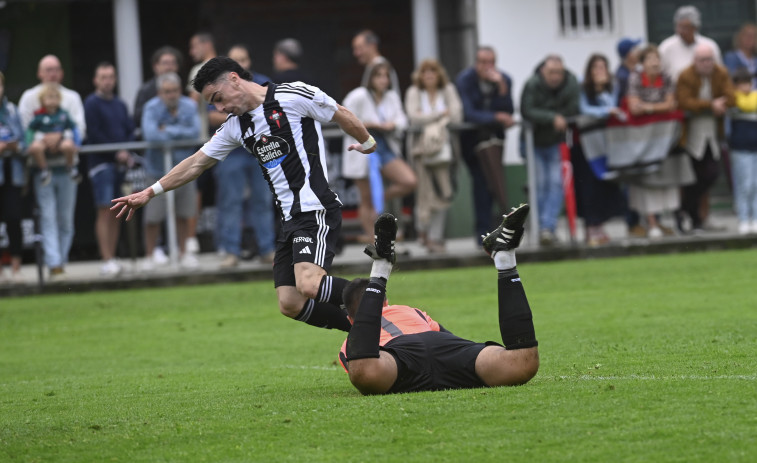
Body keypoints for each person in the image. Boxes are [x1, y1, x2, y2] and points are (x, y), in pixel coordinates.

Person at [112, 56, 378, 333]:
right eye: (212, 104)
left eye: (217, 97)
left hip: (314, 208)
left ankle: (381, 308)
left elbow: (340, 113)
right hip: (289, 219)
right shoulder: (236, 126)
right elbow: (196, 163)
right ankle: (364, 331)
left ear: (234, 79)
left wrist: (368, 143)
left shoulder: (292, 94)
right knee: (290, 302)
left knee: (309, 284)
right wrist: (150, 191)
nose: (219, 107)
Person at [338, 205, 538, 395]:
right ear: (386, 302)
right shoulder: (411, 311)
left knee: (365, 372)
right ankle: (504, 259)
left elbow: (360, 361)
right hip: (444, 347)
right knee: (522, 364)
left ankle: (381, 268)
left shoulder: (351, 342)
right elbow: (447, 339)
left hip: (397, 356)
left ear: (352, 322)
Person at [18, 54, 86, 281]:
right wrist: (46, 139)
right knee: (47, 216)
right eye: (47, 69)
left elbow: (79, 129)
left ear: (62, 72)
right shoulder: (29, 98)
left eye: (56, 69)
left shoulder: (72, 98)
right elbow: (25, 128)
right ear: (39, 73)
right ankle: (54, 264)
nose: (52, 74)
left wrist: (60, 138)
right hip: (42, 168)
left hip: (66, 167)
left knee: (65, 218)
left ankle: (60, 263)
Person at [213, 46, 276, 268]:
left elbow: (272, 110)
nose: (241, 63)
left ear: (249, 61)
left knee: (263, 201)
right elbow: (211, 115)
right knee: (230, 203)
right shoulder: (218, 86)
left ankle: (267, 250)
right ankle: (231, 252)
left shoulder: (262, 81)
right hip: (233, 153)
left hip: (260, 151)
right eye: (236, 60)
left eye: (244, 59)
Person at [342, 62, 416, 242]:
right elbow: (344, 116)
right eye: (378, 75)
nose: (383, 80)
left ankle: (379, 198)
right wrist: (370, 124)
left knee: (409, 181)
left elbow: (402, 120)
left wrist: (392, 124)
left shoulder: (391, 96)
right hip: (362, 146)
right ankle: (371, 239)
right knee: (365, 198)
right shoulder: (358, 95)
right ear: (370, 78)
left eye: (386, 76)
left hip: (384, 145)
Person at [626, 44, 695, 239]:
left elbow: (671, 104)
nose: (655, 62)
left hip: (666, 139)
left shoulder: (666, 78)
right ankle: (651, 222)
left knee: (669, 179)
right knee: (647, 180)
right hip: (642, 140)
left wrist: (647, 107)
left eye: (657, 58)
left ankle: (669, 221)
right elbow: (633, 107)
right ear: (642, 63)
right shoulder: (635, 78)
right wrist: (658, 108)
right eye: (650, 59)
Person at [140, 72, 201, 269]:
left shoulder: (189, 106)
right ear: (160, 92)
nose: (172, 95)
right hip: (157, 169)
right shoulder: (151, 107)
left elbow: (194, 133)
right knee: (153, 216)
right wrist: (176, 134)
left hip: (185, 170)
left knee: (185, 213)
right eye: (167, 92)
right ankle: (149, 256)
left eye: (174, 91)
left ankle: (184, 254)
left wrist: (166, 130)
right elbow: (150, 135)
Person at [455, 46, 516, 242]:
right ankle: (482, 232)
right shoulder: (465, 80)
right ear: (476, 62)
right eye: (483, 62)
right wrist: (495, 116)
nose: (487, 67)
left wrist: (502, 88)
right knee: (481, 183)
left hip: (495, 141)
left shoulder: (504, 79)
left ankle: (498, 230)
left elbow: (509, 110)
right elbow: (469, 113)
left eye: (491, 62)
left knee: (495, 184)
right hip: (472, 142)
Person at [520, 54, 580, 246]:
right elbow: (527, 110)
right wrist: (552, 117)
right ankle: (539, 227)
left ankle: (547, 228)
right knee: (540, 184)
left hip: (556, 143)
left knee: (556, 183)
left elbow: (573, 108)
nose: (555, 76)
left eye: (559, 72)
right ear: (543, 71)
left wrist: (555, 117)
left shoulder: (571, 83)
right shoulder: (532, 84)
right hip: (533, 143)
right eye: (551, 72)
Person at [675, 43, 735, 233]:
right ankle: (694, 219)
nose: (707, 64)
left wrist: (718, 104)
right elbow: (684, 101)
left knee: (711, 174)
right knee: (692, 177)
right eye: (703, 60)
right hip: (691, 134)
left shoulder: (721, 73)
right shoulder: (686, 75)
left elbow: (731, 97)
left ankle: (685, 209)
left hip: (713, 133)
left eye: (710, 59)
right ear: (695, 61)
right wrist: (710, 105)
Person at [405, 58, 463, 253]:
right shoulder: (414, 92)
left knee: (444, 191)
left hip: (444, 151)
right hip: (420, 151)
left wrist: (428, 116)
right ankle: (423, 234)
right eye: (425, 72)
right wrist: (440, 115)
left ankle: (436, 237)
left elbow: (456, 115)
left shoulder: (448, 90)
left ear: (439, 74)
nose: (429, 75)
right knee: (424, 194)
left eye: (433, 71)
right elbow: (414, 117)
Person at [84, 62, 135, 277]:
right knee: (105, 210)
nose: (107, 81)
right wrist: (116, 154)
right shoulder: (91, 103)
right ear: (95, 80)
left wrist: (126, 152)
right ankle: (106, 260)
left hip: (119, 166)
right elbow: (94, 134)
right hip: (101, 165)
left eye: (111, 77)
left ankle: (112, 257)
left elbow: (130, 130)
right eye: (103, 77)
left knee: (116, 212)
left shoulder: (120, 104)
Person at [576, 54, 627, 246]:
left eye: (603, 67)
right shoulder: (582, 88)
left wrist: (604, 95)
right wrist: (605, 111)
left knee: (605, 187)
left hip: (607, 145)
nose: (600, 71)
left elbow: (613, 107)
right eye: (596, 67)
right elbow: (584, 109)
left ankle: (600, 227)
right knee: (589, 187)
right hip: (587, 147)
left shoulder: (611, 86)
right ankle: (591, 228)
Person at [615, 38, 645, 238]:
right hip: (626, 135)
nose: (638, 50)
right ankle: (632, 222)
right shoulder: (623, 75)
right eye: (635, 48)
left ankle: (642, 221)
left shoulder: (635, 72)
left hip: (639, 133)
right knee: (630, 180)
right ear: (629, 54)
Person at [25, 84, 81, 185]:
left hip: (61, 143)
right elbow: (30, 130)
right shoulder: (39, 116)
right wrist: (29, 144)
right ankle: (44, 170)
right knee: (35, 147)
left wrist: (77, 143)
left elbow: (74, 128)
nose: (53, 100)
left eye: (56, 97)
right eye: (49, 97)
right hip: (44, 143)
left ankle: (70, 167)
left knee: (68, 145)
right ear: (42, 100)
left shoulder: (63, 114)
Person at [0, 71, 26, 283]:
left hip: (13, 174)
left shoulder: (12, 110)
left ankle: (16, 268)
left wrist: (14, 146)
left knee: (14, 219)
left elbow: (25, 141)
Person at [659, 5, 722, 82]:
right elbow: (660, 74)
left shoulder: (710, 46)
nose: (681, 31)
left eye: (685, 27)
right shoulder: (666, 47)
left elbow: (719, 73)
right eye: (679, 27)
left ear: (695, 27)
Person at [728, 67, 757, 234]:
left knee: (755, 184)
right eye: (741, 85)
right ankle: (744, 218)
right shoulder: (732, 102)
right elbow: (743, 104)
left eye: (747, 84)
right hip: (740, 149)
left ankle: (755, 218)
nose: (745, 88)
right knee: (744, 185)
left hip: (755, 148)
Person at [133, 46, 183, 131]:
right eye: (165, 63)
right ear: (155, 66)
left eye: (173, 63)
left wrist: (167, 129)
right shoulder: (146, 90)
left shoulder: (179, 85)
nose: (169, 67)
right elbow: (137, 118)